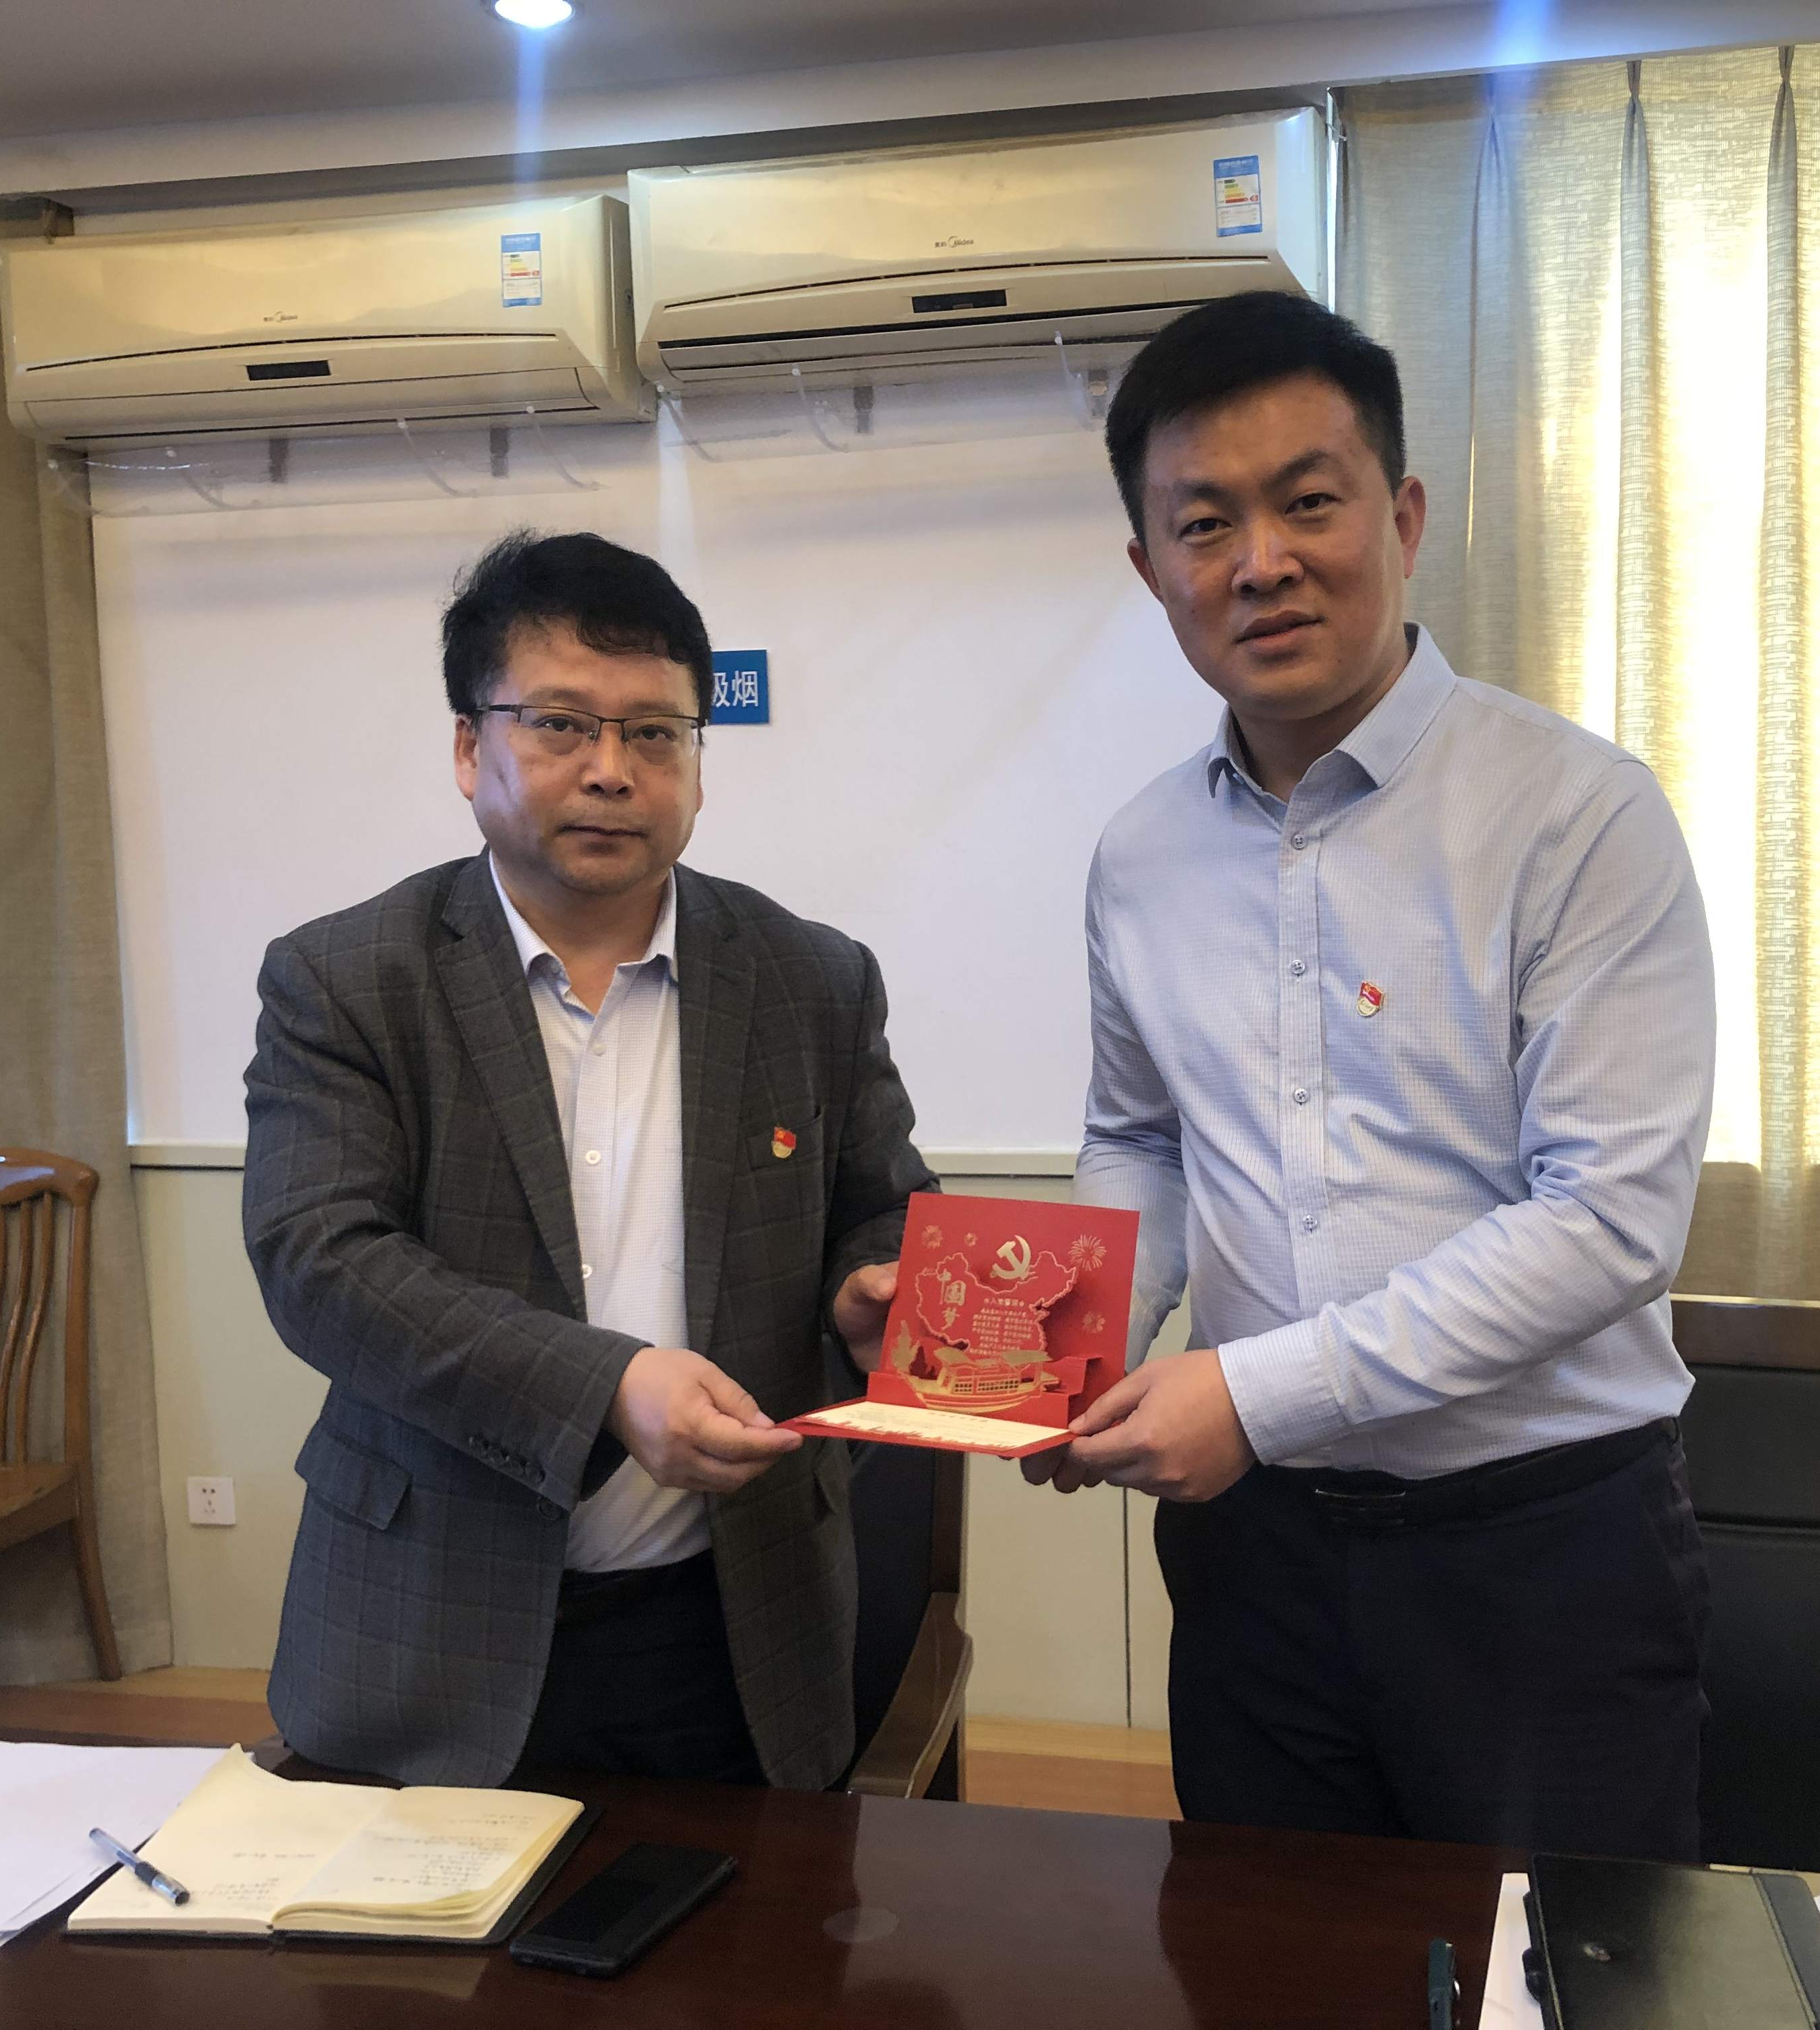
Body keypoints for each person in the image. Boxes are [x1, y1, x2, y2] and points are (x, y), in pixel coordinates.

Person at [1040, 291, 1718, 1855]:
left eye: (1309, 502)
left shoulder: (1580, 816)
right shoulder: (1140, 855)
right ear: (1150, 571)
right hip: (1252, 1559)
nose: (1261, 561)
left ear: (1401, 518)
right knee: (1268, 1954)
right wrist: (1058, 1347)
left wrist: (1254, 1395)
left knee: (1567, 1962)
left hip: (1542, 1545)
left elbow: (1608, 1218)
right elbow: (1141, 1140)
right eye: (1204, 524)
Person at [245, 530, 933, 1790]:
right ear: (471, 749)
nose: (612, 770)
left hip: (735, 1627)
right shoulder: (346, 979)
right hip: (428, 1624)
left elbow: (885, 1211)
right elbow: (322, 1264)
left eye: (656, 733)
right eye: (561, 724)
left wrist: (865, 1287)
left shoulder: (814, 978)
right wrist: (609, 1388)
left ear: (697, 763)